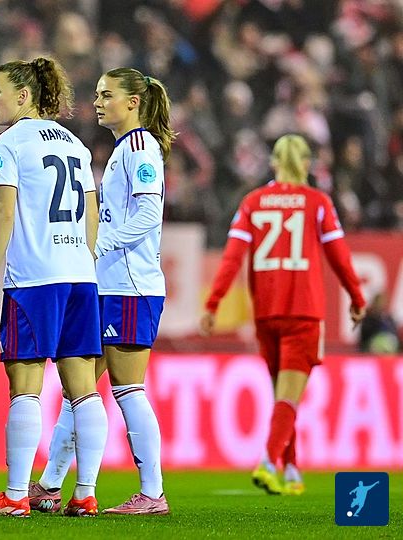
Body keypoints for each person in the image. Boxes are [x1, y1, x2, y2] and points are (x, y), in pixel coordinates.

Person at [0, 58, 104, 518]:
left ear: (24, 96)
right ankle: (85, 494)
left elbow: (4, 212)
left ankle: (14, 497)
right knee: (83, 390)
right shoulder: (76, 145)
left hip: (34, 280)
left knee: (25, 388)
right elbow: (91, 214)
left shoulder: (8, 143)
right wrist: (84, 260)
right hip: (80, 275)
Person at [201, 134, 366, 496]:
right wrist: (356, 296)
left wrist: (213, 303)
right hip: (303, 312)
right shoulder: (317, 202)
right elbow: (339, 256)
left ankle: (291, 469)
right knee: (288, 397)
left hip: (266, 312)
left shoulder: (253, 202)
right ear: (306, 164)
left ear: (274, 163)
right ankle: (269, 461)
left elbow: (232, 257)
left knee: (281, 393)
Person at [91, 67, 175, 515]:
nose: (98, 102)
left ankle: (153, 492)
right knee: (80, 386)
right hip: (110, 284)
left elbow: (148, 214)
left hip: (130, 286)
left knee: (127, 388)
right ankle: (49, 484)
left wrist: (101, 245)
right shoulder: (124, 148)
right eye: (97, 94)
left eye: (107, 94)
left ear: (133, 102)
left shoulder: (141, 148)